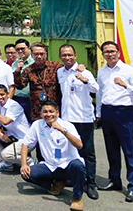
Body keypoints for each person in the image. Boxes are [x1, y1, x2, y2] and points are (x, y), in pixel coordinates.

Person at [96, 41, 133, 203]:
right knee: (111, 149)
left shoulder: (128, 70)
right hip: (107, 112)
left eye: (112, 51)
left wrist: (126, 85)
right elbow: (99, 94)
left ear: (118, 53)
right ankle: (115, 181)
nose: (110, 54)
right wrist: (98, 113)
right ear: (103, 54)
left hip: (124, 113)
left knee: (129, 150)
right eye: (106, 51)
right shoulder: (102, 71)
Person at [20, 101, 86, 211]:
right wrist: (23, 164)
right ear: (41, 114)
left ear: (57, 113)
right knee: (26, 173)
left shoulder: (67, 125)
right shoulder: (37, 125)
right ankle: (55, 184)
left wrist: (62, 130)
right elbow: (25, 144)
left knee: (79, 166)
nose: (48, 114)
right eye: (45, 112)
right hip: (50, 165)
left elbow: (79, 145)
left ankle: (77, 198)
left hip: (68, 163)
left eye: (51, 111)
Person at [57, 44, 100, 200]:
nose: (67, 58)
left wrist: (85, 79)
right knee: (70, 152)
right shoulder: (60, 72)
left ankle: (91, 183)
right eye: (64, 55)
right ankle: (76, 181)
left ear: (75, 55)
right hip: (67, 120)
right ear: (60, 57)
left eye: (70, 55)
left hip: (84, 119)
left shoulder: (84, 71)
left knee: (88, 152)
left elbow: (96, 89)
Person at [0, 84, 32, 172]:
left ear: (7, 94)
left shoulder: (14, 106)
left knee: (6, 154)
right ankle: (6, 164)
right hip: (12, 138)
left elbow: (5, 121)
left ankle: (29, 161)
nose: (0, 97)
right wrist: (1, 136)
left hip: (25, 140)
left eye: (2, 94)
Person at [14, 42, 63, 122]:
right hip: (37, 110)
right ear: (32, 55)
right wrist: (17, 71)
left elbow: (69, 70)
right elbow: (20, 86)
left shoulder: (55, 66)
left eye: (41, 54)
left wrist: (80, 67)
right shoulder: (28, 70)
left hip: (54, 109)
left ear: (46, 54)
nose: (39, 56)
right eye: (36, 54)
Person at [12, 39, 34, 122]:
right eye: (18, 49)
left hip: (30, 99)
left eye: (22, 48)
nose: (20, 51)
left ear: (28, 48)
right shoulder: (15, 63)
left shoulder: (34, 62)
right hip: (17, 98)